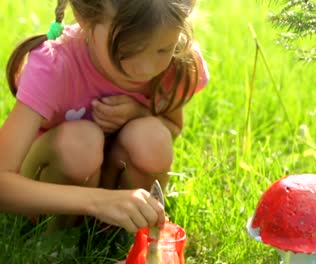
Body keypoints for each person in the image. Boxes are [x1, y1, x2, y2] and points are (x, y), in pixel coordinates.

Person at [0, 0, 209, 235]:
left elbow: (171, 128)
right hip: (51, 193)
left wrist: (140, 114)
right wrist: (99, 201)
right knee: (80, 142)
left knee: (152, 137)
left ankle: (118, 235)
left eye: (163, 49)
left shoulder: (178, 62)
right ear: (85, 18)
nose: (146, 69)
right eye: (128, 51)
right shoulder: (54, 66)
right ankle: (57, 243)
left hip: (116, 198)